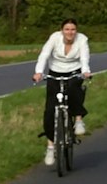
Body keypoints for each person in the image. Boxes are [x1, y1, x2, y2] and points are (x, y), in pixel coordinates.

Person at [32, 19, 92, 167]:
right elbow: (44, 55)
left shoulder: (82, 39)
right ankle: (50, 146)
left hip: (74, 72)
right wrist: (39, 72)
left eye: (73, 29)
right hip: (55, 73)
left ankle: (78, 119)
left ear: (76, 30)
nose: (70, 32)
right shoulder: (54, 38)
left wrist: (85, 71)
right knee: (50, 111)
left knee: (74, 90)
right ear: (62, 30)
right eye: (67, 29)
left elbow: (84, 57)